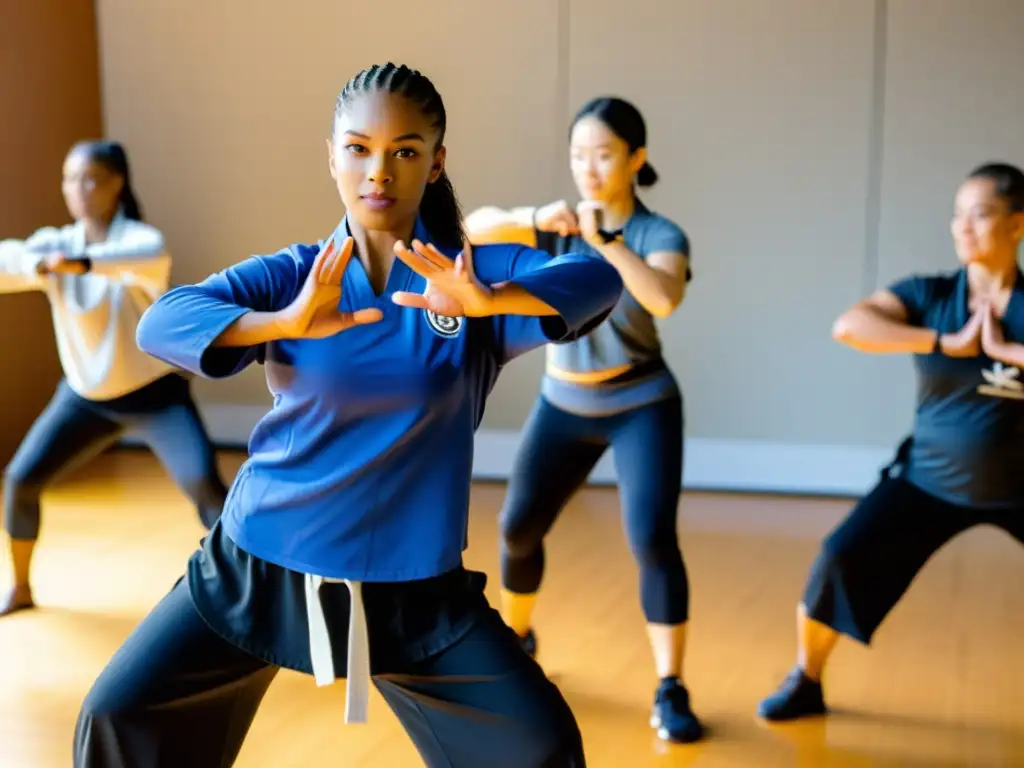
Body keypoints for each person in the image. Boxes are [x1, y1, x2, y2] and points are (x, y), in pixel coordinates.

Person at [73, 62, 623, 768]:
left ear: (435, 162)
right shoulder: (297, 274)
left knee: (537, 744)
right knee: (120, 716)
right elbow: (163, 322)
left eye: (404, 151)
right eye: (359, 148)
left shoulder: (466, 278)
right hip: (258, 564)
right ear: (331, 155)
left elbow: (597, 278)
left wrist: (492, 302)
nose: (379, 172)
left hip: (416, 588)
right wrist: (281, 320)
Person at [464, 97, 699, 743]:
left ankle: (670, 687)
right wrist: (535, 217)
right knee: (516, 529)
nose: (588, 168)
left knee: (651, 540)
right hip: (563, 402)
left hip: (641, 404)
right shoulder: (554, 223)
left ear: (636, 159)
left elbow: (664, 297)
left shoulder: (659, 234)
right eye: (577, 155)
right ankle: (517, 639)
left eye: (602, 154)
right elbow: (473, 227)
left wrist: (609, 244)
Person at [758, 162, 1024, 722]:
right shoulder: (929, 295)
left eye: (979, 214)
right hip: (929, 479)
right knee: (840, 556)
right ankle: (806, 680)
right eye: (957, 215)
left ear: (1018, 224)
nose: (963, 228)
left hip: (1019, 485)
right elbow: (851, 325)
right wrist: (943, 341)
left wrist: (1013, 353)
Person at [0, 140, 229, 618]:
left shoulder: (138, 241)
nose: (78, 190)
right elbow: (10, 260)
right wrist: (34, 263)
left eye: (90, 179)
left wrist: (77, 263)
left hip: (156, 397)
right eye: (69, 179)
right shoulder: (55, 243)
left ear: (116, 184)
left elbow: (146, 258)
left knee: (207, 488)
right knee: (20, 480)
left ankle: (246, 592)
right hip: (83, 399)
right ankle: (20, 587)